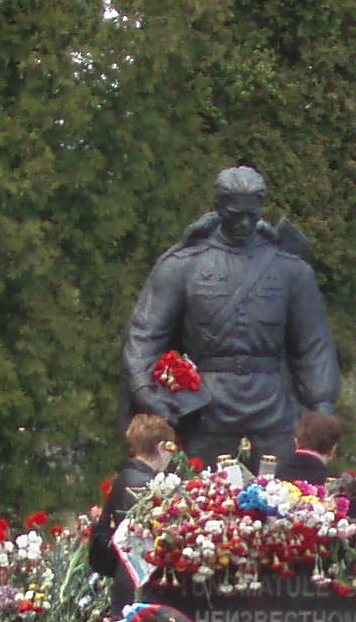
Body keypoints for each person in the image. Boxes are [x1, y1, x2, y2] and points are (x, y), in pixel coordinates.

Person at [120, 165, 339, 470]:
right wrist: (146, 392)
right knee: (204, 506)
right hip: (206, 413)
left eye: (252, 214)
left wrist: (322, 409)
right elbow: (145, 335)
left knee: (282, 506)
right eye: (236, 214)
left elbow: (314, 345)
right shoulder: (182, 265)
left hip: (274, 411)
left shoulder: (291, 270)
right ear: (220, 208)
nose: (245, 223)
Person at [88, 413, 176, 593]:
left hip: (124, 576)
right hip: (141, 584)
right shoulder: (146, 485)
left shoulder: (126, 477)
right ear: (162, 447)